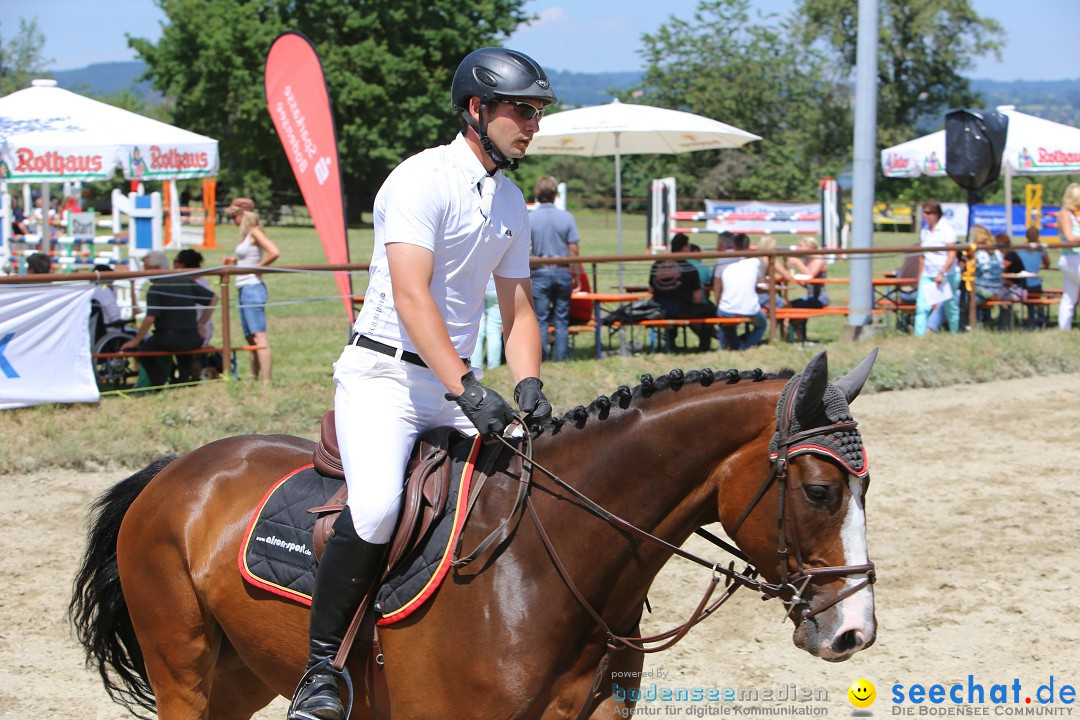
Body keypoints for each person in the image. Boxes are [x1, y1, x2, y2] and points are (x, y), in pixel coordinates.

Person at [287, 47, 556, 720]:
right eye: (521, 110)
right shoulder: (419, 180)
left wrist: (528, 385)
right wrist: (467, 386)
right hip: (383, 380)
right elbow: (412, 297)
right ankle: (322, 671)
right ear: (476, 109)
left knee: (534, 479)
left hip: (451, 382)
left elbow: (518, 304)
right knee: (377, 505)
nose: (533, 124)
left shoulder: (511, 198)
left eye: (538, 112)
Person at [120, 250, 218, 387]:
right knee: (184, 352)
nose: (144, 272)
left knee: (143, 352)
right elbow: (214, 298)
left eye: (146, 268)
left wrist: (135, 342)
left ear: (157, 268)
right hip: (192, 339)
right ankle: (182, 381)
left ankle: (159, 381)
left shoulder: (155, 289)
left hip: (167, 339)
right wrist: (201, 323)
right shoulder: (185, 280)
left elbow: (149, 319)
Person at [223, 198, 280, 383]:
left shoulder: (255, 231)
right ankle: (254, 377)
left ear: (243, 214)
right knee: (250, 337)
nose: (232, 220)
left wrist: (257, 267)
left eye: (234, 216)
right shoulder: (247, 234)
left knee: (258, 336)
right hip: (244, 287)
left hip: (252, 287)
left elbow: (274, 251)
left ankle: (266, 381)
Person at [529, 175, 580, 361]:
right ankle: (561, 357)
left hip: (540, 272)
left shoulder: (531, 218)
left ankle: (541, 357)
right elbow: (573, 249)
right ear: (555, 194)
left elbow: (524, 247)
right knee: (561, 318)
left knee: (540, 320)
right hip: (562, 271)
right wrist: (575, 274)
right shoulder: (566, 217)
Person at [648, 233, 715, 351]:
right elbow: (697, 298)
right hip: (681, 309)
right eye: (688, 247)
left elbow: (651, 289)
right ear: (684, 248)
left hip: (659, 309)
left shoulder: (657, 264)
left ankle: (671, 341)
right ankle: (705, 343)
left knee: (675, 308)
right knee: (710, 310)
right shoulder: (689, 268)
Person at [714, 232, 767, 350]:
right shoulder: (754, 262)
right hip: (750, 308)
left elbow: (716, 285)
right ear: (748, 245)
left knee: (724, 321)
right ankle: (745, 346)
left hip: (726, 308)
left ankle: (727, 346)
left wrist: (717, 302)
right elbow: (760, 282)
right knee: (762, 325)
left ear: (733, 245)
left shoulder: (722, 259)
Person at [914, 200, 960, 336]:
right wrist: (919, 276)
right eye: (924, 212)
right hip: (927, 274)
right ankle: (918, 337)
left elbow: (952, 255)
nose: (925, 216)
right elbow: (922, 256)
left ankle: (954, 334)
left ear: (937, 214)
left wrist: (942, 272)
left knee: (950, 307)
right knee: (922, 307)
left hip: (947, 275)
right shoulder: (924, 231)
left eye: (929, 213)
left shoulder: (947, 230)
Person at [786, 236, 830, 343]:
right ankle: (798, 338)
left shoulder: (819, 259)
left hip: (820, 298)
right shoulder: (808, 260)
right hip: (811, 296)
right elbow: (808, 283)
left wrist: (797, 262)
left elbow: (810, 275)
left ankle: (798, 338)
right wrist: (796, 279)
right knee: (787, 305)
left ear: (809, 246)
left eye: (801, 246)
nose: (799, 248)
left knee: (792, 309)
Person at [1017, 225, 1051, 327]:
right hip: (1034, 284)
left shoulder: (1020, 248)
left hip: (1022, 283)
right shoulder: (1041, 249)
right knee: (1037, 296)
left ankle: (1033, 320)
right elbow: (1047, 264)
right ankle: (1040, 318)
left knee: (1031, 301)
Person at [1057, 183, 1080, 330]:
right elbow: (1070, 237)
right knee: (1069, 297)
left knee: (1069, 296)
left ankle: (1064, 329)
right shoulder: (1065, 213)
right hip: (1073, 257)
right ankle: (1064, 328)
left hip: (1074, 258)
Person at [971, 225, 1004, 326]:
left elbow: (973, 271)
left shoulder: (978, 253)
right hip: (998, 290)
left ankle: (974, 323)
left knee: (963, 296)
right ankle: (987, 320)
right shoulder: (997, 252)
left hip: (984, 291)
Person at [471, 275, 503, 370]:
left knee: (477, 330)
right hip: (496, 287)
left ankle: (475, 365)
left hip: (477, 287)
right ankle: (493, 366)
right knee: (494, 330)